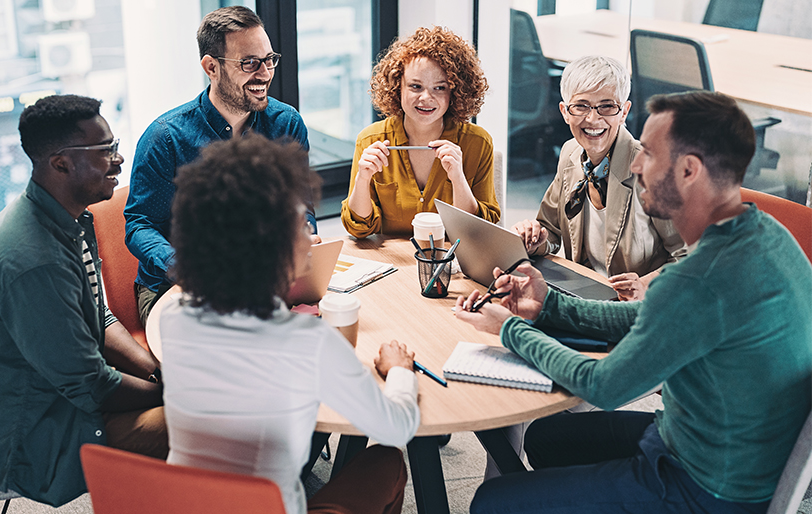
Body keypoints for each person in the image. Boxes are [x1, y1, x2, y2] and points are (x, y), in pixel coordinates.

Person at [454, 90, 812, 513]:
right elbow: (649, 316)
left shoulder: (699, 279)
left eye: (649, 154)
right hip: (708, 441)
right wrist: (548, 304)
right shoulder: (766, 235)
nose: (636, 165)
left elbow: (603, 385)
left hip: (702, 488)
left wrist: (510, 328)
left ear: (689, 171)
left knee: (492, 502)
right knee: (545, 439)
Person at [159, 134, 420, 514]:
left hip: (182, 505)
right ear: (269, 244)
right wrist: (399, 373)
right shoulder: (307, 341)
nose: (312, 236)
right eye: (300, 224)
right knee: (388, 459)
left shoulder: (174, 317)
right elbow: (396, 427)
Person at [0, 95, 168, 507]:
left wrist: (155, 369)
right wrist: (173, 393)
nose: (120, 160)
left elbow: (97, 316)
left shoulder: (59, 215)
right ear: (60, 163)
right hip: (37, 442)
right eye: (106, 150)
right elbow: (91, 386)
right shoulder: (34, 261)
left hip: (59, 401)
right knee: (219, 422)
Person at [125, 6, 314, 326]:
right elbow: (139, 225)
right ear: (211, 67)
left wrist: (305, 234)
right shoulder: (166, 138)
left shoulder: (286, 124)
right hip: (175, 287)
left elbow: (302, 205)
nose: (265, 73)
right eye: (250, 63)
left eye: (269, 60)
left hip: (262, 276)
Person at [512, 55, 685, 301]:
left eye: (607, 106)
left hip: (637, 310)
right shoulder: (570, 153)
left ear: (624, 112)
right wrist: (532, 239)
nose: (593, 119)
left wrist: (648, 285)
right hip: (583, 296)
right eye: (581, 106)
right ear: (565, 112)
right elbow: (550, 230)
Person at [341, 26, 500, 238]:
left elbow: (480, 232)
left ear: (455, 91)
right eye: (415, 86)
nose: (426, 97)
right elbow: (359, 228)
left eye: (440, 88)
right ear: (397, 87)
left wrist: (458, 178)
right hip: (393, 264)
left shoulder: (478, 143)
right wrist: (362, 179)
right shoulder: (370, 140)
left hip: (453, 264)